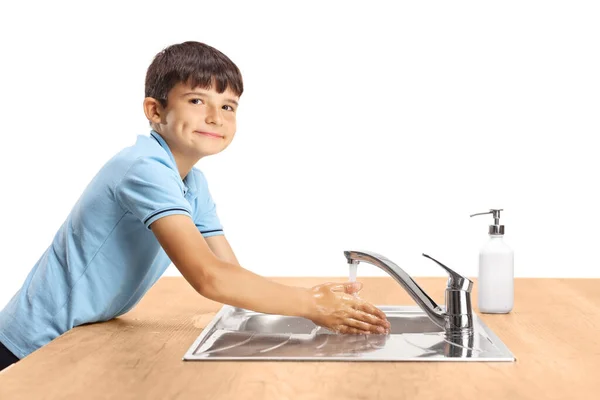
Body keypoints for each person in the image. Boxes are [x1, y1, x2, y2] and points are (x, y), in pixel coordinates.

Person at [0, 41, 390, 372]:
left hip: (78, 336)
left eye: (228, 106)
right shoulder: (143, 170)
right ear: (155, 111)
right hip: (31, 345)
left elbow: (229, 273)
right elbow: (209, 278)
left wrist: (305, 298)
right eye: (197, 99)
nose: (214, 117)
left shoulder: (190, 182)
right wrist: (307, 305)